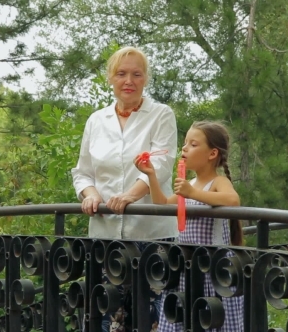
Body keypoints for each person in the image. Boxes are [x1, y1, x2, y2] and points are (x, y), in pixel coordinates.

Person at [71, 46, 178, 332]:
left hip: (152, 235)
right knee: (108, 321)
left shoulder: (161, 115)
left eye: (136, 74)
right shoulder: (96, 120)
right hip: (106, 237)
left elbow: (162, 164)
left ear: (145, 80)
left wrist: (130, 196)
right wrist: (90, 194)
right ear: (110, 78)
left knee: (151, 322)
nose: (128, 80)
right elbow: (82, 172)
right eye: (121, 73)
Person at [133, 120, 244, 332]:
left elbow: (233, 200)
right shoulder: (190, 184)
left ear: (212, 154)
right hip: (187, 266)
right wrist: (151, 175)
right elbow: (163, 203)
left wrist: (191, 194)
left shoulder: (217, 182)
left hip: (213, 268)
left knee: (209, 319)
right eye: (185, 143)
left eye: (193, 144)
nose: (184, 148)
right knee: (186, 317)